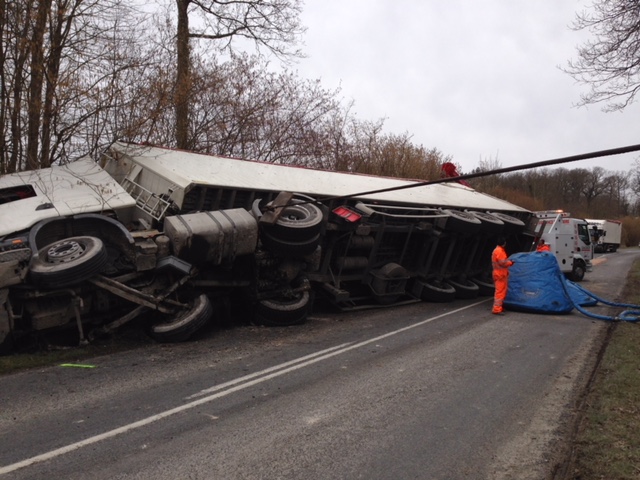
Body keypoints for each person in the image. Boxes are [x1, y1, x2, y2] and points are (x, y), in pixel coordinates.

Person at [492, 236, 514, 315]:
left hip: (500, 274)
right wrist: (510, 263)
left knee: (502, 291)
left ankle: (499, 307)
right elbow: (503, 263)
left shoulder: (497, 250)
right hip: (500, 274)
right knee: (500, 292)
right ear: (504, 243)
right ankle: (497, 309)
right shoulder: (500, 251)